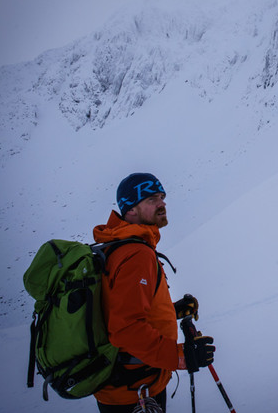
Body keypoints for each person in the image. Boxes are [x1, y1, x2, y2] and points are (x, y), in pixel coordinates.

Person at [92, 172, 215, 412]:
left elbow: (118, 308)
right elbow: (125, 329)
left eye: (161, 196)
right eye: (151, 199)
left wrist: (170, 311)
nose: (162, 203)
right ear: (131, 210)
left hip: (126, 384)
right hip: (135, 391)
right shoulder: (136, 254)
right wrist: (181, 356)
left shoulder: (118, 245)